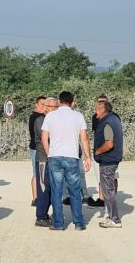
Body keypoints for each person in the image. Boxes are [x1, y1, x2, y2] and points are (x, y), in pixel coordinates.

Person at [41, 91, 91, 231]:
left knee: (56, 191)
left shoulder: (50, 116)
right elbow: (84, 138)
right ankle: (79, 223)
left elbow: (44, 137)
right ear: (72, 101)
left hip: (55, 156)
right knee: (75, 191)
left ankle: (58, 223)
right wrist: (88, 157)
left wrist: (49, 153)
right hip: (72, 156)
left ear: (59, 101)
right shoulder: (78, 116)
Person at [93, 100, 124, 228]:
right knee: (108, 189)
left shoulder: (107, 123)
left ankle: (115, 219)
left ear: (103, 110)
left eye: (97, 109)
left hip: (108, 160)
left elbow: (109, 143)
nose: (95, 112)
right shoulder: (114, 119)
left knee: (108, 190)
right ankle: (112, 216)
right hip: (111, 159)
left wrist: (97, 151)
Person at [88, 94, 121, 207]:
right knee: (100, 176)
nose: (99, 104)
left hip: (108, 154)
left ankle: (111, 201)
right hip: (103, 153)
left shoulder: (112, 118)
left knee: (112, 177)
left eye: (102, 102)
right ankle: (102, 198)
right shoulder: (96, 117)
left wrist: (98, 151)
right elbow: (96, 133)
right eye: (98, 101)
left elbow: (109, 141)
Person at [34, 97, 58, 227]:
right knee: (43, 188)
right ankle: (40, 216)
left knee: (51, 188)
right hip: (43, 159)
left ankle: (45, 213)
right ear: (47, 108)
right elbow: (46, 138)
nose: (56, 110)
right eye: (54, 107)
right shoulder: (40, 120)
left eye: (57, 107)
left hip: (53, 159)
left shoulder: (53, 120)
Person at [28, 96, 46, 206]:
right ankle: (35, 198)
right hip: (36, 148)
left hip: (35, 147)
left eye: (45, 104)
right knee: (36, 174)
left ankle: (36, 198)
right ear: (36, 104)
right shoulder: (37, 117)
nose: (43, 106)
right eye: (41, 104)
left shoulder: (36, 116)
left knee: (38, 174)